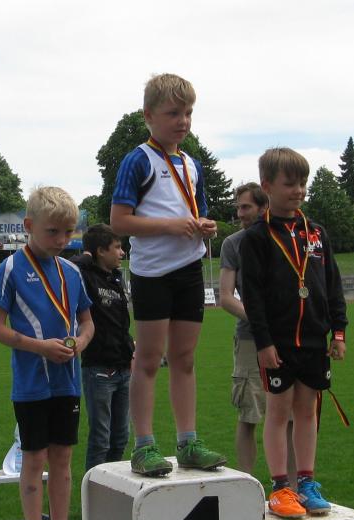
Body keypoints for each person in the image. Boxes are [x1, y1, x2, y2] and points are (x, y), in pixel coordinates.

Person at [110, 72, 226, 477]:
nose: (183, 121)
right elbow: (119, 221)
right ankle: (143, 446)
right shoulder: (139, 160)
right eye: (173, 113)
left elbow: (195, 214)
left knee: (184, 358)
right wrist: (172, 226)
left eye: (188, 113)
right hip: (153, 273)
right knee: (147, 359)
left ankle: (188, 442)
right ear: (149, 115)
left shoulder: (191, 164)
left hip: (189, 270)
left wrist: (204, 226)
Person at [0, 186, 96, 520]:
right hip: (32, 383)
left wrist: (81, 342)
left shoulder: (72, 271)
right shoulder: (11, 269)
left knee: (63, 459)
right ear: (29, 225)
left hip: (67, 382)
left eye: (68, 232)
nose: (62, 240)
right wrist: (40, 348)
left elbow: (87, 322)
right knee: (34, 459)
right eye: (53, 232)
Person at [241, 148, 347, 519]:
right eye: (290, 184)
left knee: (307, 411)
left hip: (315, 340)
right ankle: (280, 487)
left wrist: (339, 332)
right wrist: (264, 342)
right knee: (278, 411)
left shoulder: (316, 233)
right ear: (267, 186)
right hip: (279, 342)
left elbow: (332, 284)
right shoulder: (257, 237)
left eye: (302, 183)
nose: (298, 190)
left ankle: (307, 482)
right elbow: (252, 296)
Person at [219, 183, 297, 480]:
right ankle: (246, 485)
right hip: (250, 339)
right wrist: (260, 321)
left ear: (264, 207)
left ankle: (294, 488)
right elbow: (226, 297)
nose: (240, 214)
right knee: (249, 414)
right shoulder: (233, 244)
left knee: (290, 416)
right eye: (238, 207)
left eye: (246, 207)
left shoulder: (285, 237)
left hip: (288, 338)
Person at [72, 224, 134, 471]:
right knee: (100, 439)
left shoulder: (116, 278)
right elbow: (69, 265)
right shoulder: (85, 275)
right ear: (100, 251)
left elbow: (119, 322)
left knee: (120, 437)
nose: (122, 252)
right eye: (117, 247)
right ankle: (94, 490)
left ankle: (113, 484)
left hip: (123, 368)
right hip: (99, 369)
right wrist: (87, 255)